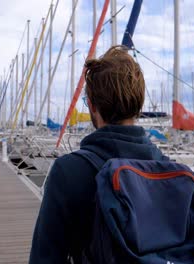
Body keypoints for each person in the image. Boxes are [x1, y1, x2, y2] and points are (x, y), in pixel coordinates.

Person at [29, 46, 178, 263]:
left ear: (92, 105)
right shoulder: (166, 169)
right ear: (139, 105)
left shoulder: (68, 171)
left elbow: (45, 257)